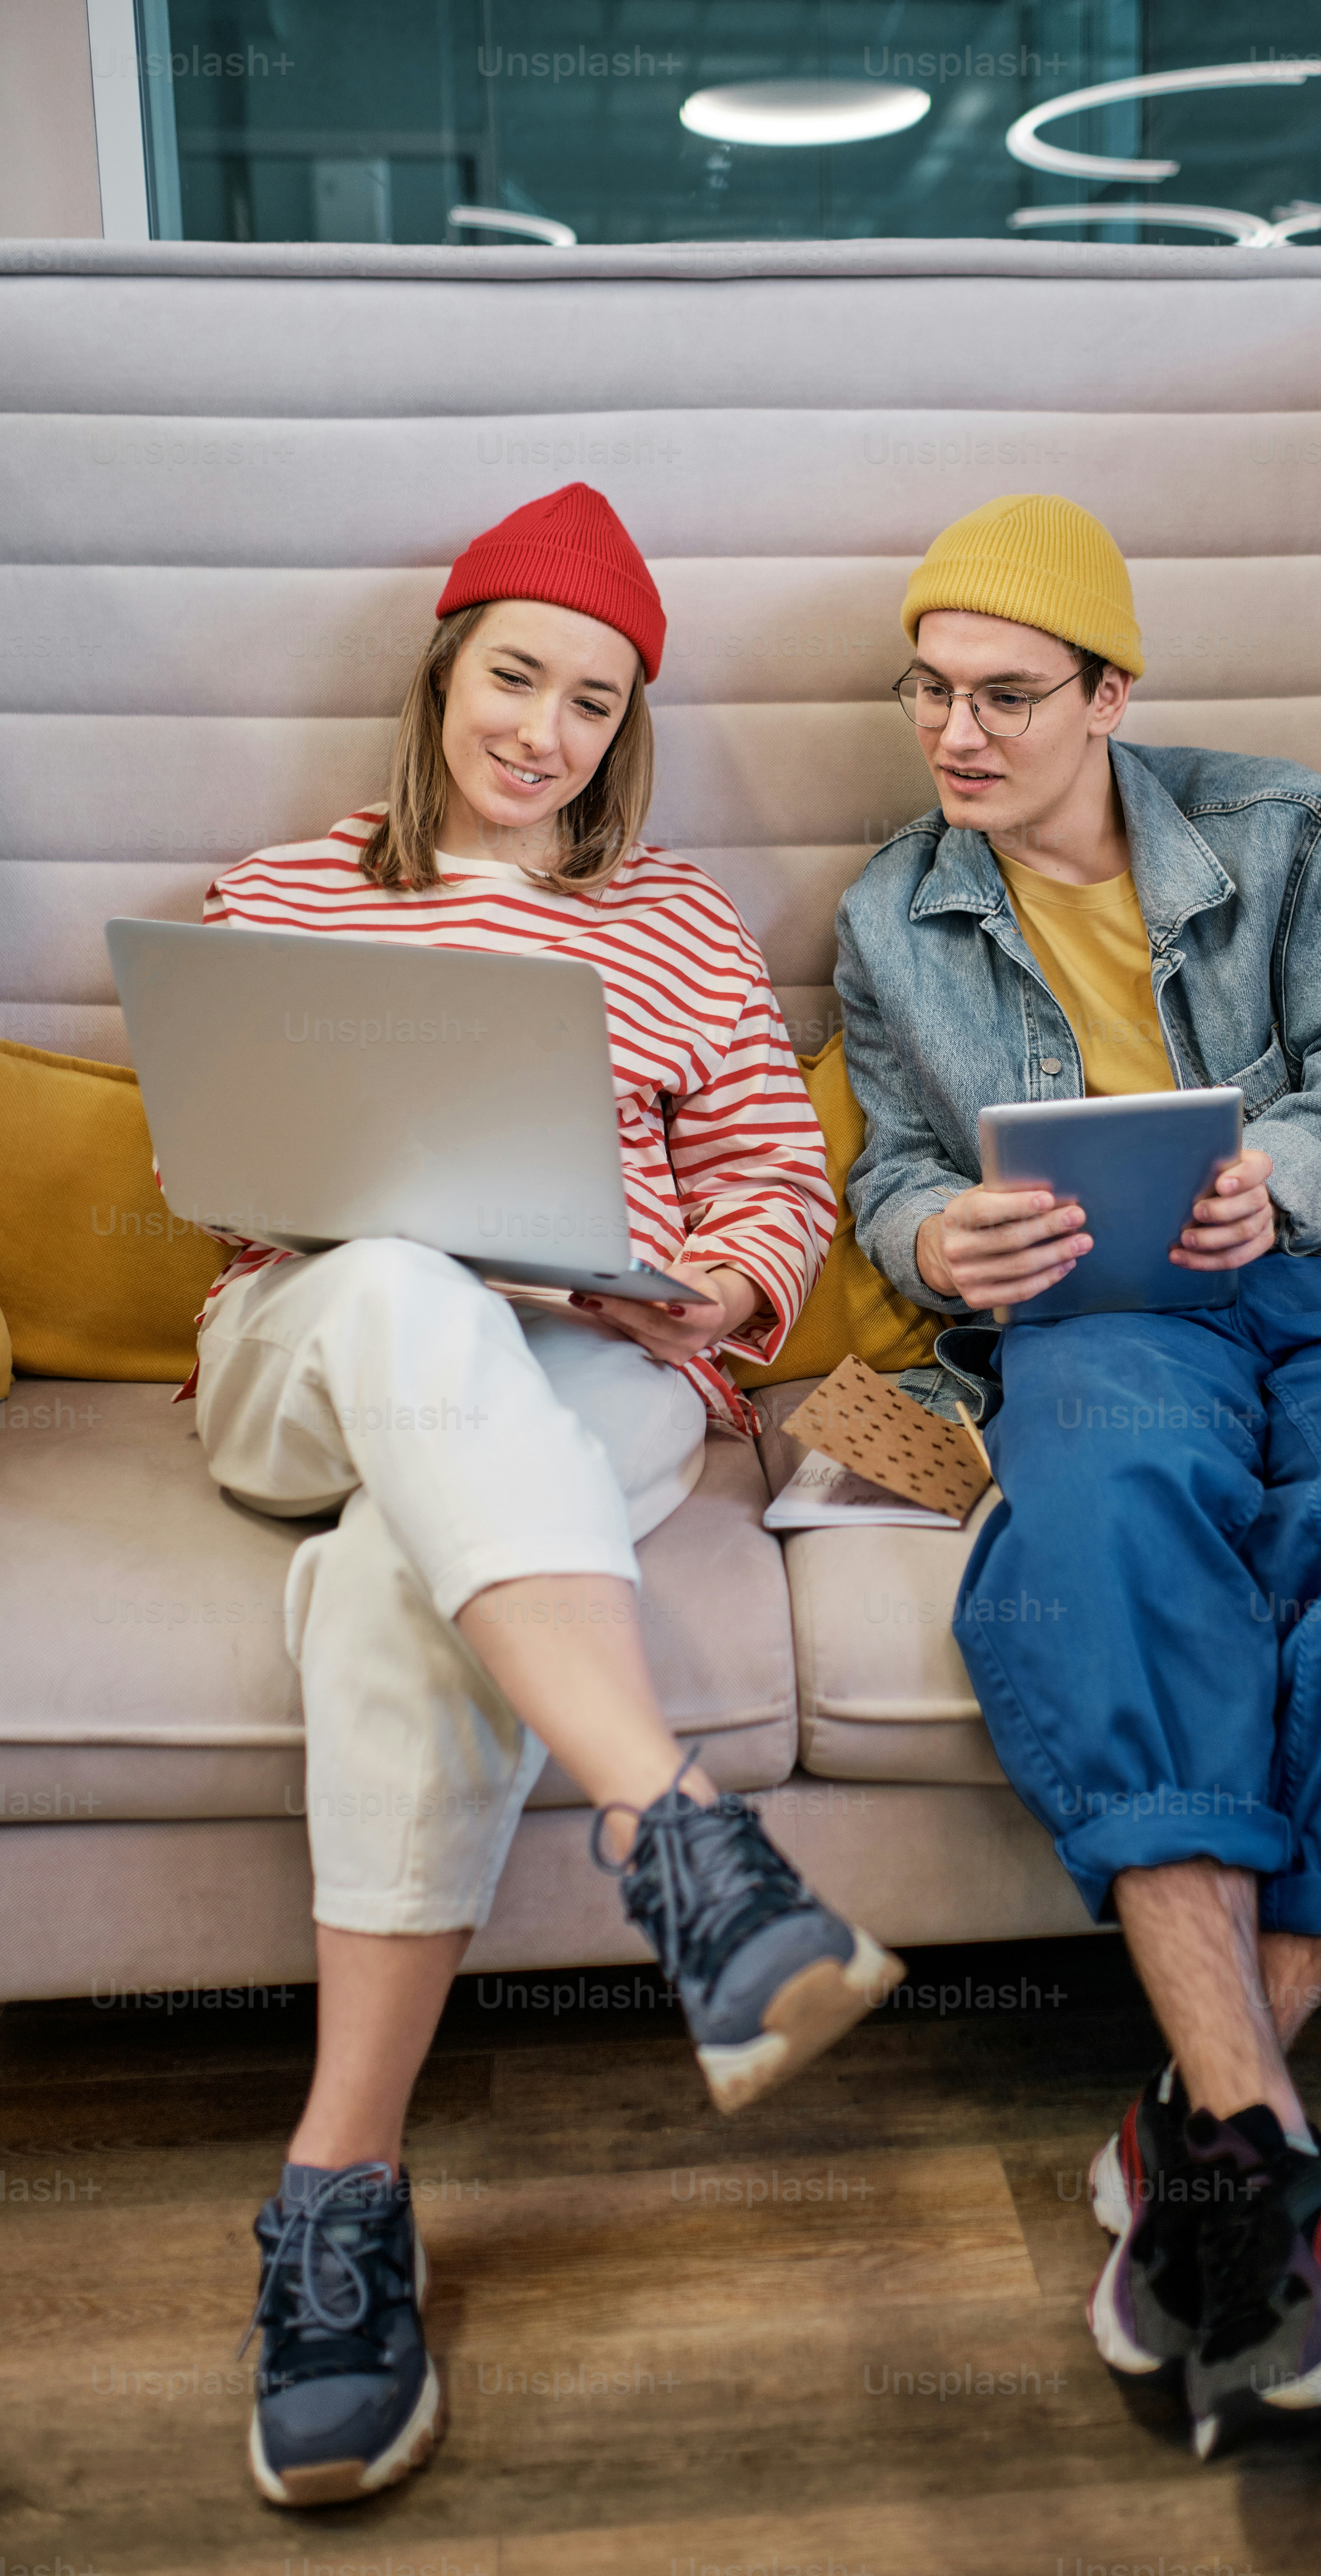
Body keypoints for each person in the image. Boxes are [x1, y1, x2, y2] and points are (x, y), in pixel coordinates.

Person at [189, 483, 902, 2508]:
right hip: (317, 1352)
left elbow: (783, 1185)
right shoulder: (280, 893)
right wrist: (388, 1226)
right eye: (517, 677)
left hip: (599, 1364)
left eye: (594, 703)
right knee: (408, 1279)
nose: (547, 733)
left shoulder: (677, 922)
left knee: (385, 1596)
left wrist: (704, 1277)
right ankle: (682, 1836)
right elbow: (229, 1182)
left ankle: (338, 2195)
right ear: (441, 674)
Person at [833, 493, 1321, 2457]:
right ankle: (1265, 2157)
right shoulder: (894, 911)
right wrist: (924, 1242)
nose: (958, 732)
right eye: (929, 690)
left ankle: (1205, 2133)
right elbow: (892, 1162)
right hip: (1105, 1309)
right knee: (1105, 1515)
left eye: (1005, 694)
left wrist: (1287, 1175)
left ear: (1110, 694)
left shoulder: (1294, 824)